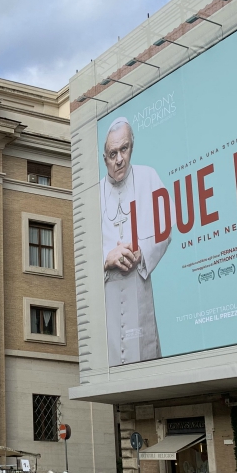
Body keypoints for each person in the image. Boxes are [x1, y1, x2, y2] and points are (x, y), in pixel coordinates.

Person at [101, 117, 171, 366]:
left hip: (138, 287)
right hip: (108, 291)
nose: (119, 159)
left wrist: (142, 252)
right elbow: (85, 250)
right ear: (104, 158)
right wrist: (105, 258)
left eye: (124, 149)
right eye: (112, 153)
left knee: (145, 358)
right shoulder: (95, 193)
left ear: (132, 147)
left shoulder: (149, 177)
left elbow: (165, 227)